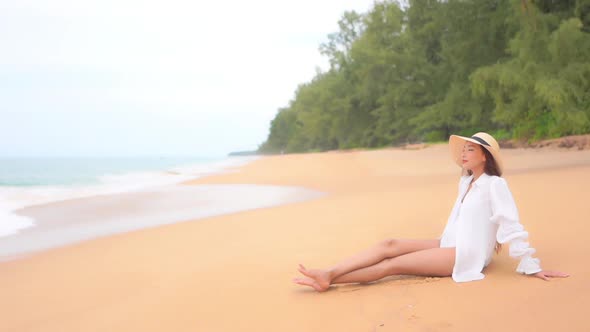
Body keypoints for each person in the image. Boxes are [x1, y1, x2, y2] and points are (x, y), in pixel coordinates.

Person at [293, 132, 569, 292]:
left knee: (395, 265)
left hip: (466, 254)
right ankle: (330, 271)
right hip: (448, 242)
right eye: (463, 150)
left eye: (469, 150)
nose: (463, 154)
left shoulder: (495, 185)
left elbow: (511, 224)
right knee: (390, 244)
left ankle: (330, 279)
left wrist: (532, 267)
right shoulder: (466, 182)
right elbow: (460, 222)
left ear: (484, 156)